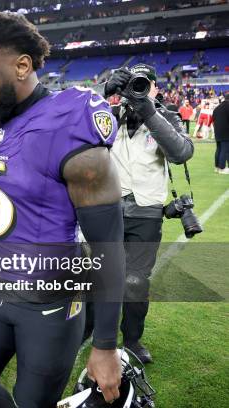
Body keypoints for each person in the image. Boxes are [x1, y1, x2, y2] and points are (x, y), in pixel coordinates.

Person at [0, 12, 125, 407]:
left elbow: (108, 245)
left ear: (22, 65)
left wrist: (106, 345)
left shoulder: (67, 122)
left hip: (51, 297)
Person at [94, 63, 193, 363]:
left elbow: (181, 153)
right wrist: (103, 92)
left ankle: (133, 340)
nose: (137, 90)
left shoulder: (167, 117)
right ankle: (93, 330)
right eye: (132, 84)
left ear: (155, 88)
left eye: (144, 84)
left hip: (146, 213)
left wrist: (148, 109)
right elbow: (69, 127)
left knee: (135, 282)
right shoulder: (108, 116)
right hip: (107, 208)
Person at [213, 94, 229, 174]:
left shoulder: (217, 108)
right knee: (225, 150)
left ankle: (217, 167)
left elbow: (214, 119)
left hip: (217, 132)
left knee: (219, 149)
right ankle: (222, 168)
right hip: (226, 132)